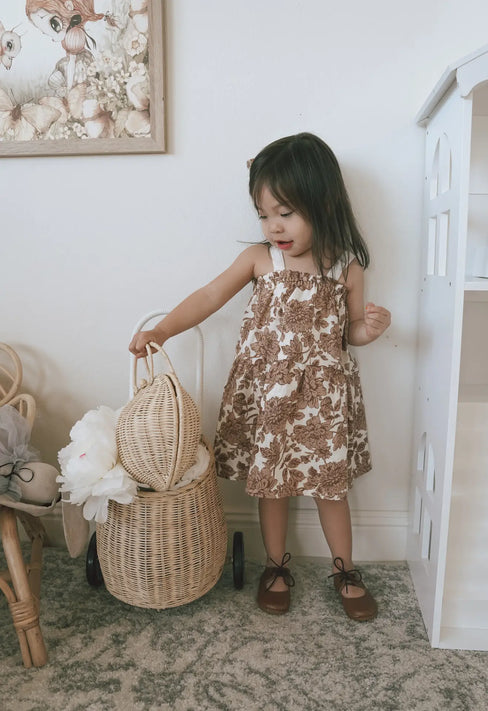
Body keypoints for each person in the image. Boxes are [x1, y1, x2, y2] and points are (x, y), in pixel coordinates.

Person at [129, 133, 391, 620]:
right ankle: (275, 565)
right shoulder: (258, 259)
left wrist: (370, 329)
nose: (274, 226)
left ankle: (345, 568)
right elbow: (209, 297)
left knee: (329, 487)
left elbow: (349, 332)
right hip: (270, 397)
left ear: (322, 201)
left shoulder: (346, 267)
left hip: (323, 402)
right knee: (271, 484)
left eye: (285, 212)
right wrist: (162, 329)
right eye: (263, 214)